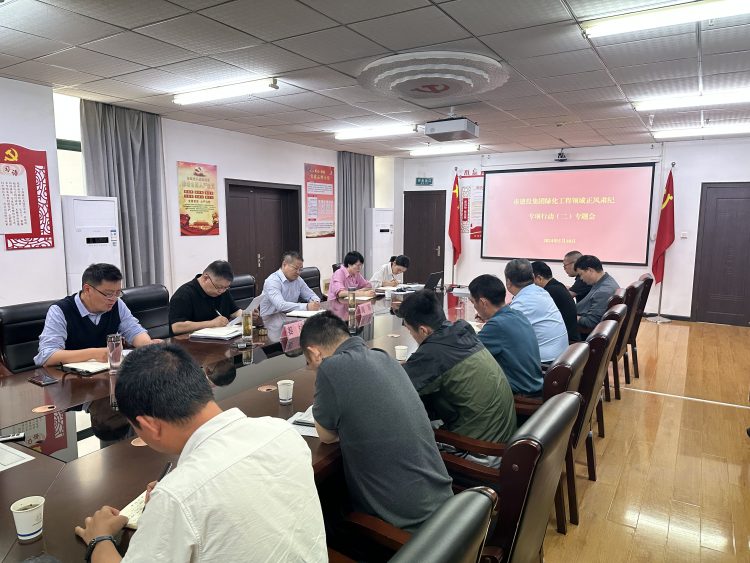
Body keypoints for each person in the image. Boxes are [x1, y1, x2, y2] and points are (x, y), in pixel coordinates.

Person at [74, 344, 327, 562]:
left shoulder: (176, 497)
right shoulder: (282, 431)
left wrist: (100, 539)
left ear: (149, 426)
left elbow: (192, 496)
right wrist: (169, 506)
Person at [302, 311, 453, 532]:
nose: (312, 367)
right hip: (444, 509)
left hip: (408, 529)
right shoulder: (384, 357)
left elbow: (326, 436)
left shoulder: (330, 367)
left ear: (314, 353)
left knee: (329, 514)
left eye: (309, 363)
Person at [399, 290, 517, 445]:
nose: (412, 335)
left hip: (480, 449)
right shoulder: (462, 334)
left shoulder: (434, 353)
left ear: (423, 330)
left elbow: (395, 389)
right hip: (502, 436)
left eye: (410, 330)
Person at [34, 263, 158, 367]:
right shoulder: (60, 310)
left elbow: (134, 330)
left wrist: (148, 344)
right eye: (108, 294)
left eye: (117, 293)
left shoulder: (117, 304)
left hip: (105, 374)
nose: (113, 299)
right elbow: (46, 357)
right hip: (69, 380)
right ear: (87, 289)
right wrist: (93, 353)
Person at [468, 275, 544, 397]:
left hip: (520, 393)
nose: (474, 307)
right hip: (534, 385)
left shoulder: (497, 325)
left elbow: (468, 353)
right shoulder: (517, 314)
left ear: (483, 302)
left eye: (473, 302)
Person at [504, 259, 568, 363]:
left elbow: (504, 336)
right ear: (533, 277)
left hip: (545, 364)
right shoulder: (541, 292)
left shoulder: (521, 304)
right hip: (561, 357)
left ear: (508, 282)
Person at [169, 260, 242, 335]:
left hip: (222, 337)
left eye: (226, 287)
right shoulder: (183, 295)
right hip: (192, 341)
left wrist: (246, 316)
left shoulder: (223, 290)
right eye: (219, 287)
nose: (221, 291)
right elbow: (176, 327)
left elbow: (234, 311)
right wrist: (211, 323)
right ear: (206, 278)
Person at [531, 260, 580, 343]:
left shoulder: (549, 292)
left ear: (539, 278)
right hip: (569, 337)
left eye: (531, 281)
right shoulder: (557, 286)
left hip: (566, 341)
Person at [575, 255, 620, 329]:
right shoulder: (606, 281)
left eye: (581, 274)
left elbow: (591, 322)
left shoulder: (603, 291)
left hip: (584, 332)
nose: (581, 278)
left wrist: (571, 317)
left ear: (590, 270)